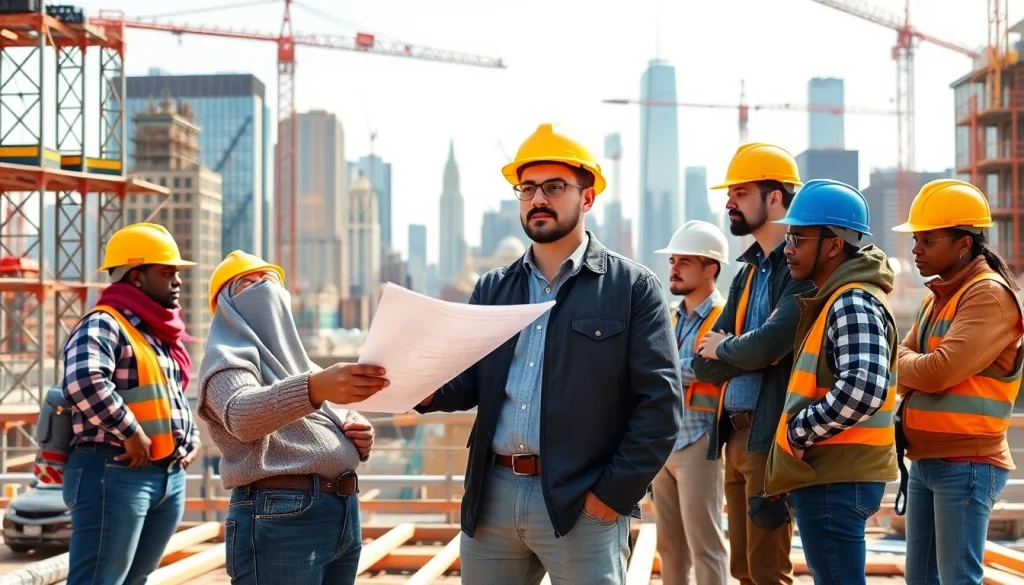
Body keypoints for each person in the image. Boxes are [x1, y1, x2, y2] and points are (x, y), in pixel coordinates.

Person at [414, 122, 682, 585]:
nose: (538, 198)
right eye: (528, 188)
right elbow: (470, 380)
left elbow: (660, 408)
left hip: (582, 500)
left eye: (554, 187)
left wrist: (609, 498)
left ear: (588, 197)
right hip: (491, 498)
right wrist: (418, 384)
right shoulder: (494, 288)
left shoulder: (632, 288)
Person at [197, 250, 385, 585]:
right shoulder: (226, 361)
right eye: (246, 285)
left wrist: (359, 436)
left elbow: (332, 418)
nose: (262, 289)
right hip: (281, 514)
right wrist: (315, 387)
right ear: (226, 307)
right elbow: (242, 415)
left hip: (340, 511)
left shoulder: (300, 366)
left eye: (267, 282)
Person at [764, 179, 898, 584]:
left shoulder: (851, 301)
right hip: (833, 477)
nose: (788, 247)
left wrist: (799, 432)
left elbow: (865, 387)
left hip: (836, 479)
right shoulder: (836, 298)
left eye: (798, 237)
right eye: (788, 236)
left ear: (835, 244)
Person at [692, 142, 814, 585]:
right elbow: (701, 364)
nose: (728, 201)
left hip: (772, 436)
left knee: (768, 571)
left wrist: (728, 347)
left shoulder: (799, 267)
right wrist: (736, 349)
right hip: (736, 436)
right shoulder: (745, 273)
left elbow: (770, 347)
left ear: (775, 197)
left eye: (740, 192)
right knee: (741, 569)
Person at [891, 179, 1023, 585]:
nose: (916, 249)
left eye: (927, 240)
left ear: (963, 243)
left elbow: (937, 370)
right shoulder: (939, 296)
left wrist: (909, 364)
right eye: (916, 239)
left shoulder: (988, 296)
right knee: (922, 580)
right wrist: (911, 363)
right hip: (928, 460)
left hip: (967, 463)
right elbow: (901, 357)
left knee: (959, 580)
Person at [61, 223, 201, 585]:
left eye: (178, 273)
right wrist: (130, 431)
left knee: (135, 580)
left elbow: (169, 396)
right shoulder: (104, 324)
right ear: (136, 277)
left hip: (165, 476)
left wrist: (190, 439)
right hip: (113, 471)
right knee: (98, 580)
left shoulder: (157, 334)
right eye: (167, 272)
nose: (178, 281)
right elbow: (84, 380)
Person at [652, 220, 731, 585]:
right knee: (670, 547)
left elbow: (707, 367)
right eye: (673, 261)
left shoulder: (725, 317)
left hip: (700, 441)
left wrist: (666, 367)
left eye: (685, 261)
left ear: (710, 268)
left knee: (706, 546)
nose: (674, 268)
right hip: (665, 442)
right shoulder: (669, 316)